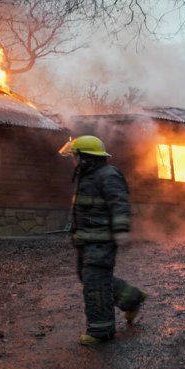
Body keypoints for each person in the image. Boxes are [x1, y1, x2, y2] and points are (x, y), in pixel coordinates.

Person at [58, 135, 146, 345]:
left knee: (95, 281)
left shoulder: (108, 175)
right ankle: (131, 299)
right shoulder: (86, 176)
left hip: (101, 240)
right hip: (86, 240)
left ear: (85, 157)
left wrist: (122, 229)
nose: (73, 160)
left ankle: (101, 331)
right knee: (89, 277)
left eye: (75, 156)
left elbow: (120, 203)